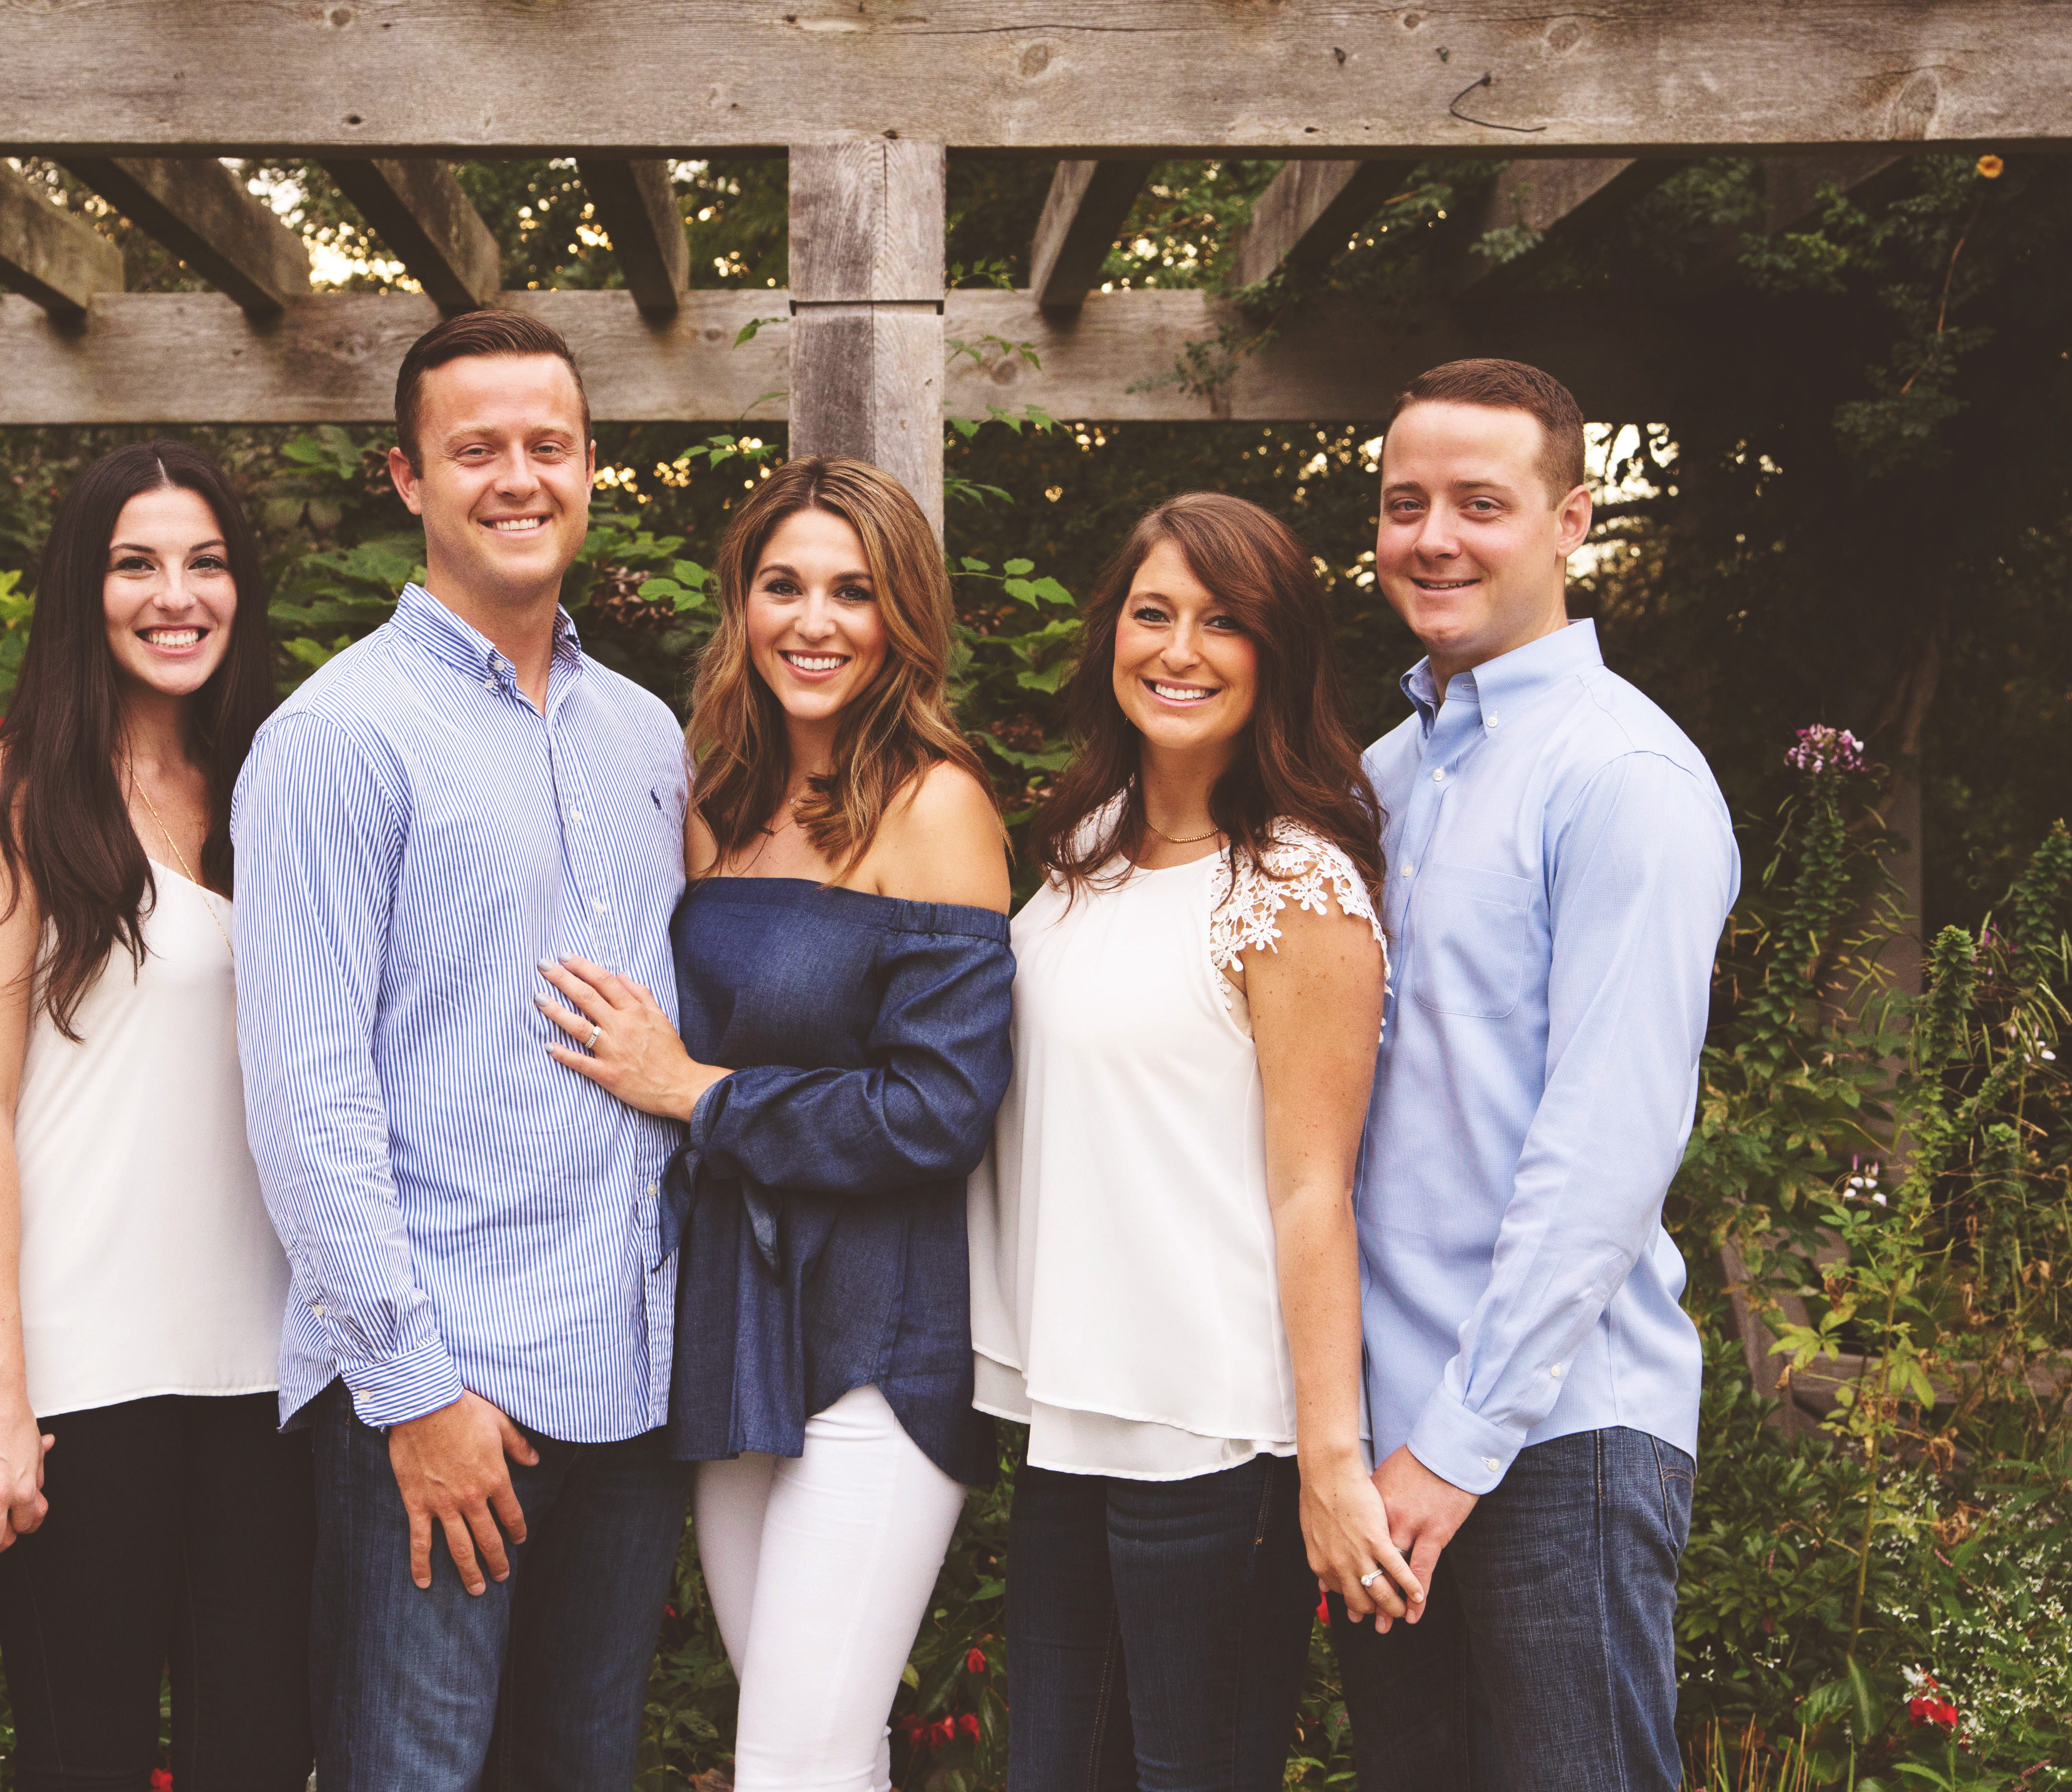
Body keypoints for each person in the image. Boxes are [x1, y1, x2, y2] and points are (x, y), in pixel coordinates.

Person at [233, 310, 692, 1792]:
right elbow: (307, 1095)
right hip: (440, 1395)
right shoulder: (337, 736)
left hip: (629, 1387)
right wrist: (414, 1390)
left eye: (547, 446)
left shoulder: (646, 734)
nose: (518, 478)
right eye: (475, 449)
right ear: (408, 478)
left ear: (590, 466)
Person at [537, 456, 1015, 1792]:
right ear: (741, 605)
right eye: (783, 586)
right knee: (823, 1755)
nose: (815, 622)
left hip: (878, 1341)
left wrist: (700, 1093)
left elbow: (940, 1112)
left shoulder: (936, 807)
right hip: (737, 1335)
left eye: (852, 592)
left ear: (901, 617)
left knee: (793, 1766)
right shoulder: (719, 805)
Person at [968, 491, 1421, 1790]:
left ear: (1277, 653)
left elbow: (1314, 1190)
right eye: (1152, 613)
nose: (1179, 650)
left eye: (1223, 622)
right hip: (1073, 1417)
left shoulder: (1295, 884)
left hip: (1218, 1440)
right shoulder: (1082, 853)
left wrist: (1330, 1463)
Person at [1334, 359, 1738, 1791]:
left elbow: (1606, 1156)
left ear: (1571, 521)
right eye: (1405, 504)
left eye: (1480, 503)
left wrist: (1456, 1446)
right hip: (1385, 1450)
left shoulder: (1624, 777)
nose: (1434, 537)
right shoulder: (1381, 776)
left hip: (1555, 1435)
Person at [0, 440, 309, 1790]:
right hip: (85, 1369)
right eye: (136, 564)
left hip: (271, 1369)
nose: (176, 595)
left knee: (260, 1757)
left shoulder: (274, 792)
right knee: (82, 1758)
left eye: (206, 563)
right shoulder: (9, 796)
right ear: (83, 591)